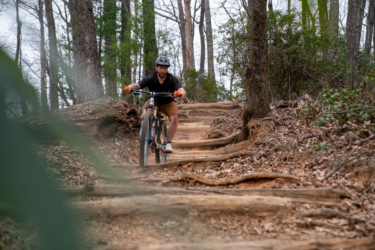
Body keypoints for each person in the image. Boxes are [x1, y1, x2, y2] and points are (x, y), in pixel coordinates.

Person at [124, 56, 186, 153]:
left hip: (168, 102)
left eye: (165, 68)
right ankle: (146, 135)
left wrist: (180, 94)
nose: (162, 70)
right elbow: (137, 85)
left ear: (167, 69)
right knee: (145, 115)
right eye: (160, 68)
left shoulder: (172, 79)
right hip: (153, 100)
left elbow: (181, 90)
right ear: (156, 68)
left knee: (174, 118)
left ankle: (168, 143)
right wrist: (129, 87)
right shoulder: (150, 78)